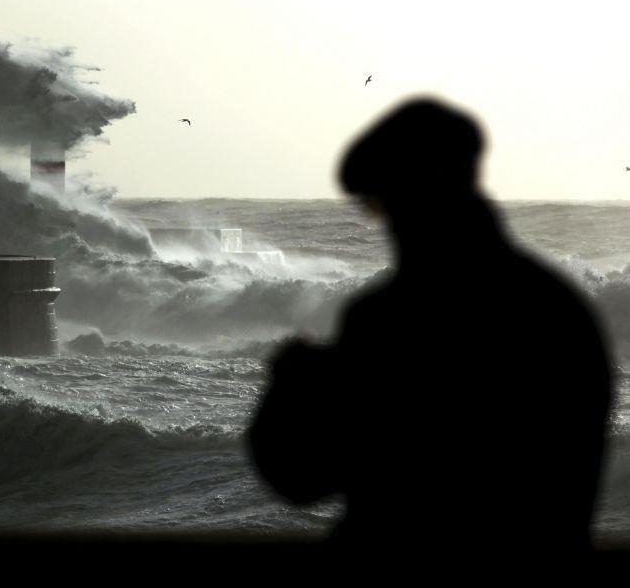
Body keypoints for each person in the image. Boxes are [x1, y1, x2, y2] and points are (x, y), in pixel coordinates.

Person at [248, 97, 613, 555]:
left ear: (420, 189)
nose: (383, 224)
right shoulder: (559, 305)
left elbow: (301, 477)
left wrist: (293, 382)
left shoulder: (391, 316)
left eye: (381, 204)